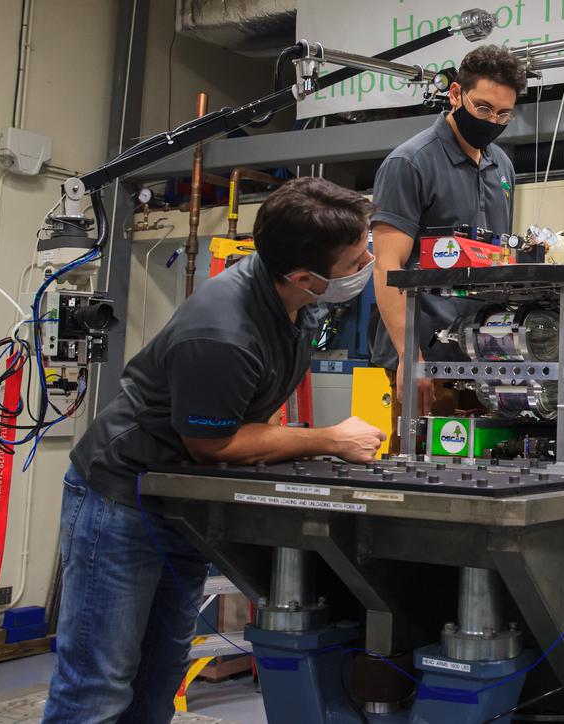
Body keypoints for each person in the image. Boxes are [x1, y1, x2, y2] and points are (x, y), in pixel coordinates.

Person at [45, 178, 388, 724]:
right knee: (99, 687)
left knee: (158, 679)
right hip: (121, 502)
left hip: (180, 503)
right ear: (305, 276)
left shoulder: (294, 302)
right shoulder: (223, 330)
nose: (369, 260)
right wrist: (328, 438)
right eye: (357, 258)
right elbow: (212, 442)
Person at [370, 45, 525, 413]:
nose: (492, 121)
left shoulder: (502, 165)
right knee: (418, 465)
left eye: (504, 114)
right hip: (425, 360)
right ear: (455, 94)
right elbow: (386, 267)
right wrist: (412, 357)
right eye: (483, 108)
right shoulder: (410, 163)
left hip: (485, 358)